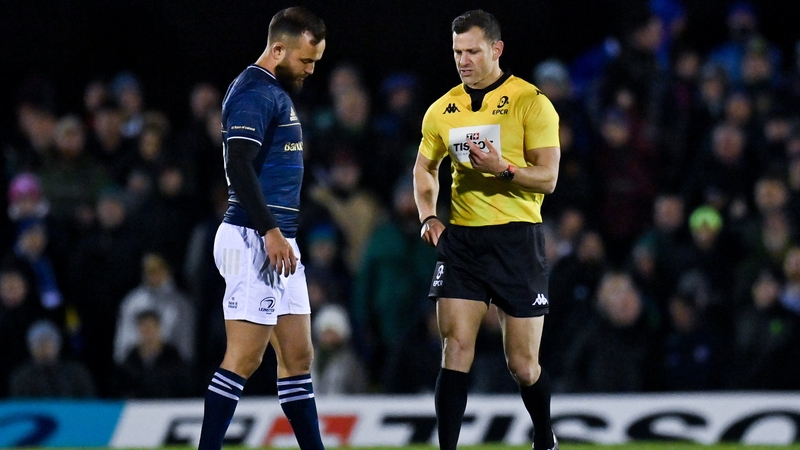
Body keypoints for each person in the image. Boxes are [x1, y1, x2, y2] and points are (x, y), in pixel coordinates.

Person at [412, 10, 560, 450]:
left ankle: (544, 436)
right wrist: (427, 215)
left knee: (523, 365)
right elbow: (423, 168)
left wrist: (503, 168)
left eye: (472, 51)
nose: (463, 60)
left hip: (517, 239)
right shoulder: (442, 109)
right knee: (456, 348)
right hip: (463, 241)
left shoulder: (530, 101)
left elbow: (549, 178)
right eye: (457, 52)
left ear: (496, 50)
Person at [198, 7, 327, 450]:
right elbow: (238, 164)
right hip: (254, 236)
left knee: (297, 357)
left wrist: (278, 234)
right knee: (245, 356)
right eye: (306, 61)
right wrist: (270, 230)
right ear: (278, 49)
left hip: (277, 238)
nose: (310, 71)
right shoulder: (254, 91)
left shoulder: (273, 90)